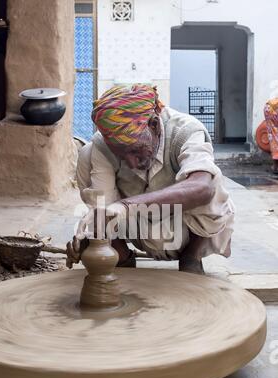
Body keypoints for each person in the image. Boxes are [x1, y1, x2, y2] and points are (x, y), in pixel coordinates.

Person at [67, 84, 234, 274]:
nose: (130, 163)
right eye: (122, 155)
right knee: (87, 154)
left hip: (187, 229)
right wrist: (92, 237)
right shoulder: (103, 145)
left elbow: (203, 188)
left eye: (135, 151)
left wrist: (126, 206)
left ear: (154, 125)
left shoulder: (186, 130)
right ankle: (122, 256)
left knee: (210, 181)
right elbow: (102, 207)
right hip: (137, 227)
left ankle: (191, 257)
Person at [264, 98, 278, 174]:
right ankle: (275, 167)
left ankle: (275, 167)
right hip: (272, 109)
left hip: (269, 108)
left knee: (273, 138)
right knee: (274, 139)